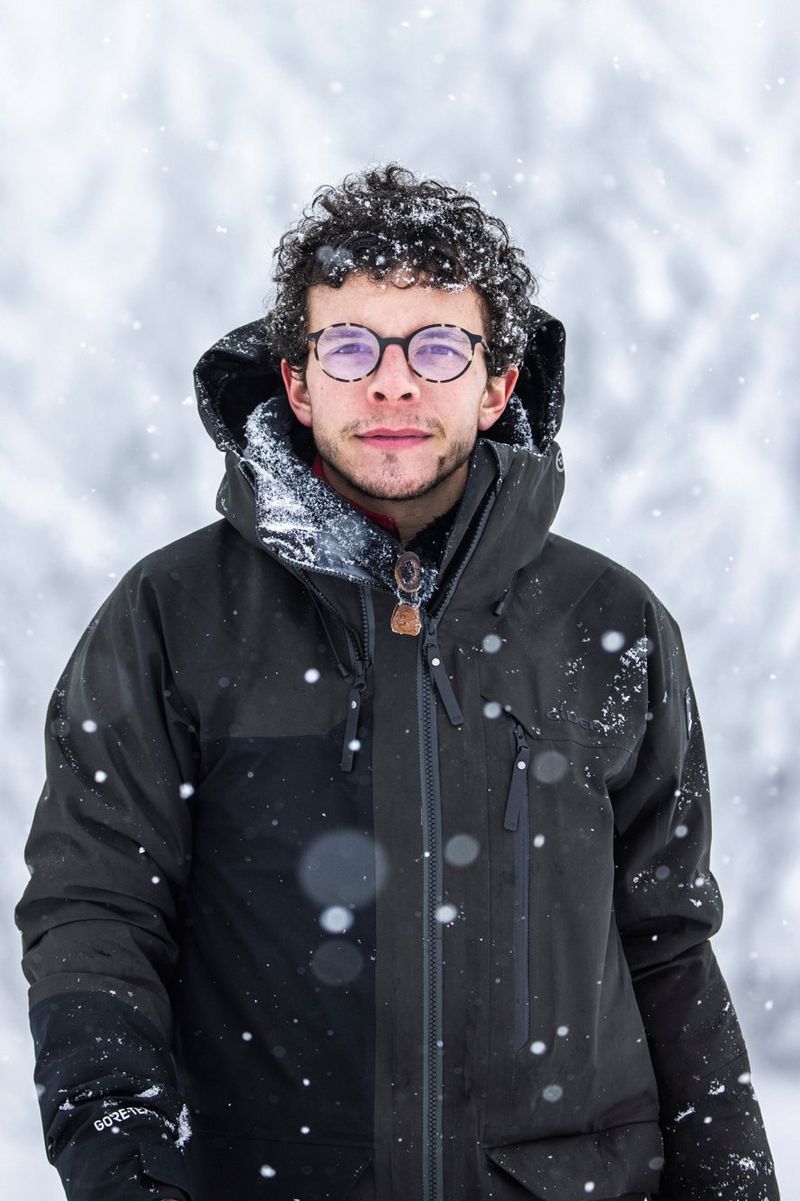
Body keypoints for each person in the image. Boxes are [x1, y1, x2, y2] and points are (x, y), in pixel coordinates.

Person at [16, 164, 779, 1201]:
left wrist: (734, 1180)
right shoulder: (172, 617)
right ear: (295, 379)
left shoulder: (609, 622)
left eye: (433, 347)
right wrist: (129, 1166)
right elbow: (94, 918)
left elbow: (668, 943)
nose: (390, 383)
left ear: (496, 382)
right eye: (348, 346)